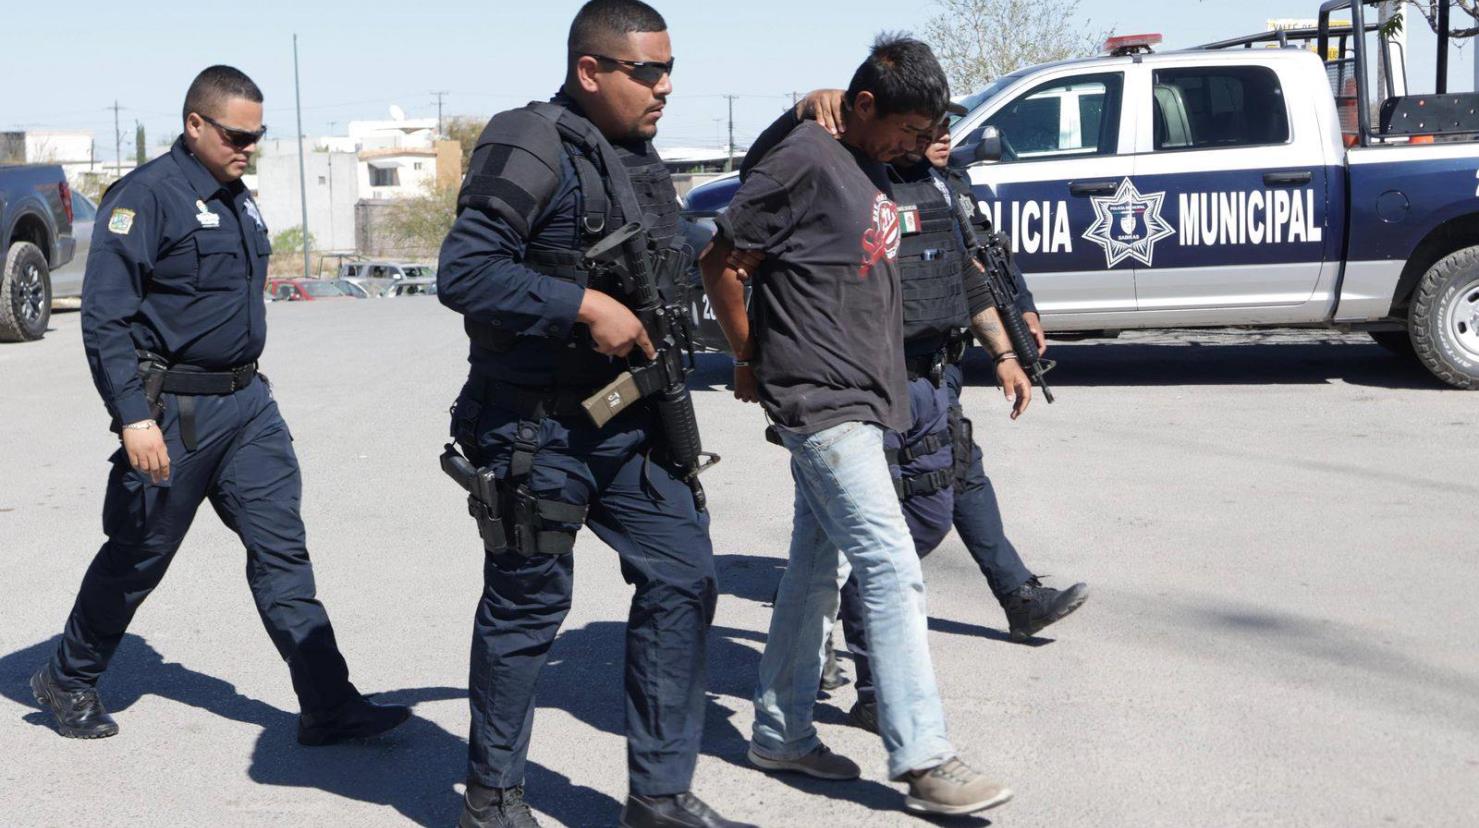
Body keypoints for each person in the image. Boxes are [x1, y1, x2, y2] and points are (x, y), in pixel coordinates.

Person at [31, 66, 410, 747]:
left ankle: (327, 703)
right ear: (195, 124)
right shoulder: (145, 198)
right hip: (172, 414)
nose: (248, 147)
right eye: (237, 134)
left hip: (245, 406)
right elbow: (104, 319)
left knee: (282, 552)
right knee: (139, 554)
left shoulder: (239, 198)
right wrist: (132, 416)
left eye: (257, 137)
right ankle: (69, 675)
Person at [435, 3, 748, 827]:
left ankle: (659, 797)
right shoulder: (527, 140)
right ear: (590, 71)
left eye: (670, 69)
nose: (665, 87)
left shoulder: (634, 156)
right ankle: (494, 798)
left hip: (631, 419)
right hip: (535, 425)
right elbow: (465, 272)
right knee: (528, 606)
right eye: (647, 72)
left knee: (684, 578)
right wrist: (582, 307)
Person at [701, 34, 1014, 817]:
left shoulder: (867, 158)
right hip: (818, 396)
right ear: (865, 105)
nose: (913, 148)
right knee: (890, 564)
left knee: (817, 569)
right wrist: (749, 362)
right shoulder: (804, 157)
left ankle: (777, 730)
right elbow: (722, 264)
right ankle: (925, 754)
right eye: (907, 132)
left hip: (867, 395)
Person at [740, 94, 1090, 729]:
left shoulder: (940, 187)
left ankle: (839, 641)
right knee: (871, 548)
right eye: (923, 127)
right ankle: (878, 693)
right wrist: (793, 111)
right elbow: (754, 180)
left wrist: (1004, 351)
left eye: (944, 126)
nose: (938, 136)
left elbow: (971, 271)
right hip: (860, 386)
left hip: (934, 376)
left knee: (915, 517)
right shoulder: (851, 174)